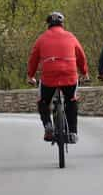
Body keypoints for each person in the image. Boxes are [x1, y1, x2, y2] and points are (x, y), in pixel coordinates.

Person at [26, 11, 89, 144]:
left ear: (48, 24)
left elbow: (33, 59)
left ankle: (48, 125)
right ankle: (72, 132)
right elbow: (81, 56)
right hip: (69, 76)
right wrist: (84, 72)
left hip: (49, 78)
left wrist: (30, 76)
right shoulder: (71, 37)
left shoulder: (42, 38)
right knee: (71, 100)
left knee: (43, 101)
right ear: (62, 24)